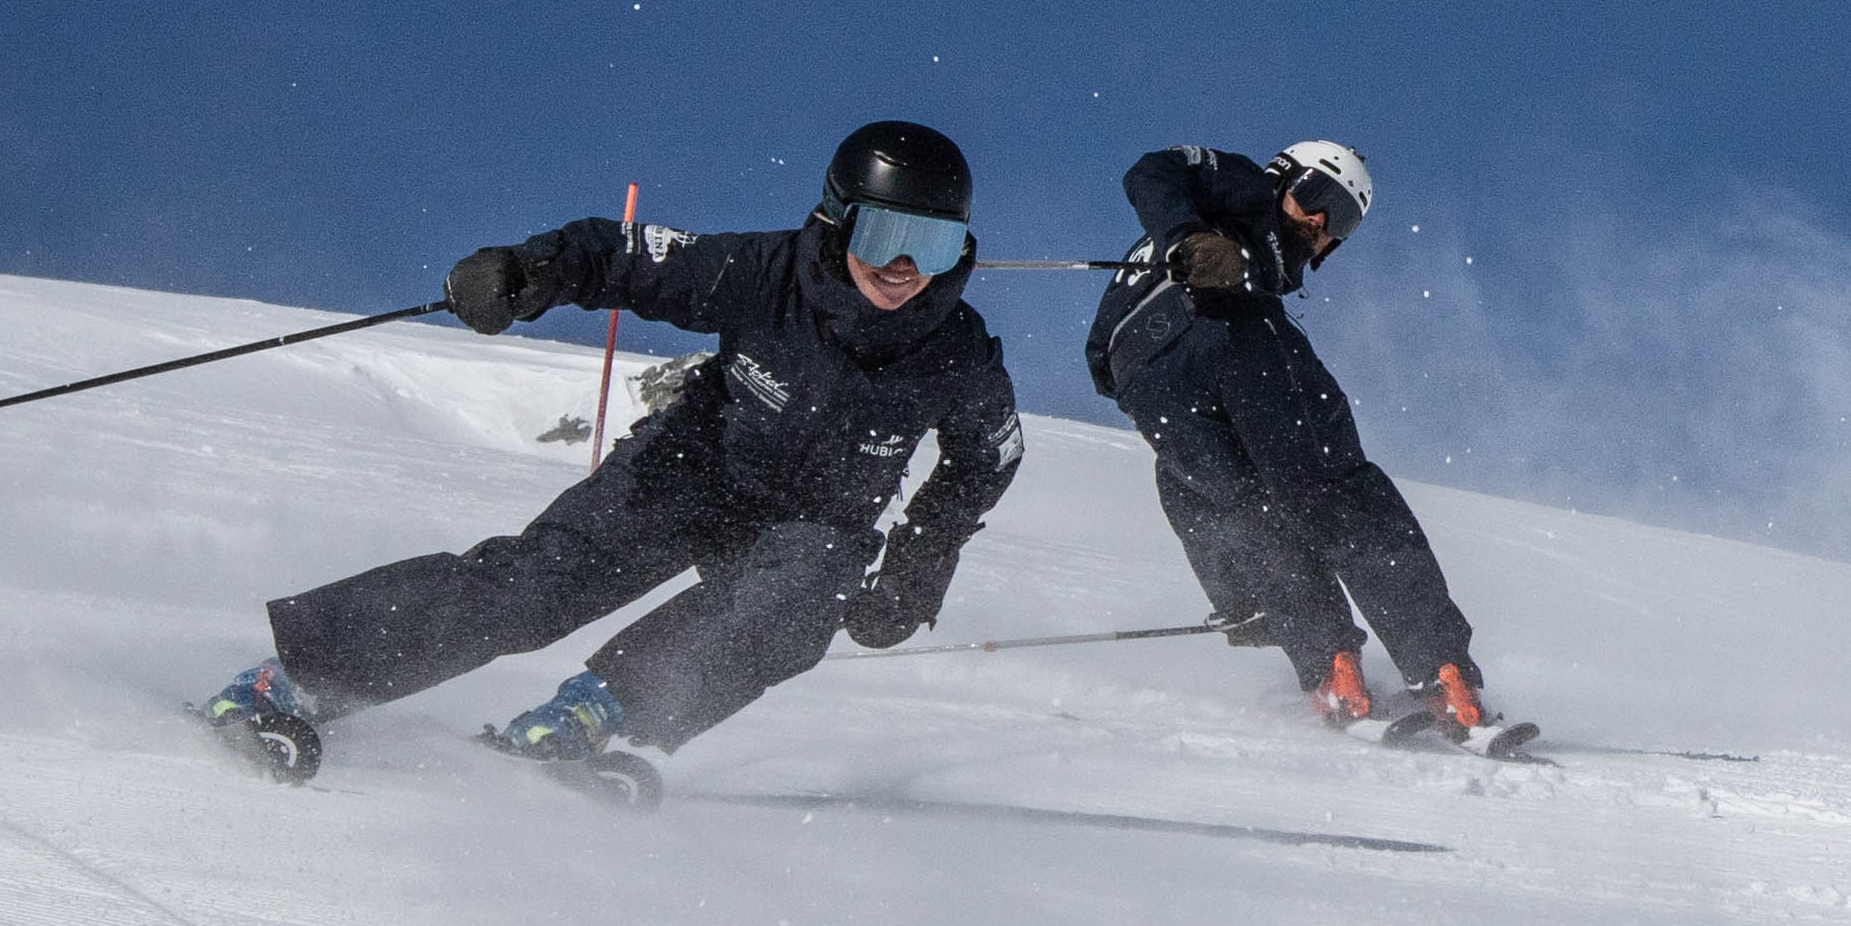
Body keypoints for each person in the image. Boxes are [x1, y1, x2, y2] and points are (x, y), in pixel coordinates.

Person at [193, 121, 1026, 795]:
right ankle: (289, 683)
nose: (906, 267)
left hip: (816, 518)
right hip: (693, 467)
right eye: (885, 234)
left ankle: (587, 717)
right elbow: (621, 256)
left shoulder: (958, 354)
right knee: (532, 591)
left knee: (791, 609)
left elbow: (986, 459)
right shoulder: (763, 272)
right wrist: (526, 273)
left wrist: (917, 566)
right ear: (839, 220)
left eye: (934, 242)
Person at [1082, 137, 1510, 743]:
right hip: (1225, 330)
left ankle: (1331, 668)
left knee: (1242, 507)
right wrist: (1191, 238)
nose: (1321, 223)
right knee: (1337, 488)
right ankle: (1442, 671)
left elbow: (1106, 358)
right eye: (1319, 198)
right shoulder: (1241, 193)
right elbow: (1153, 167)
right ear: (1284, 177)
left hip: (1148, 382)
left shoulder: (1223, 253)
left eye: (1344, 222)